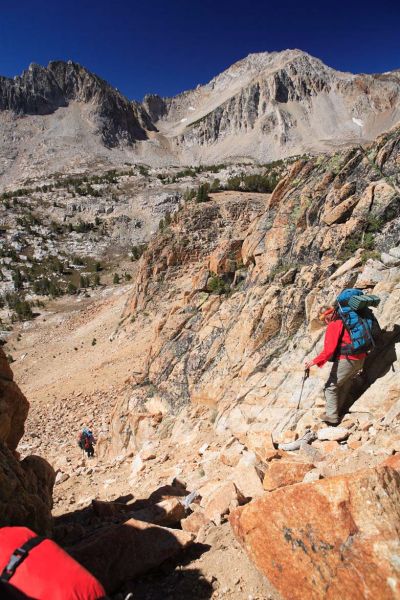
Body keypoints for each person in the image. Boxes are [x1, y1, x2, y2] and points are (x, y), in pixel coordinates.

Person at [304, 306, 367, 425]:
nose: (325, 322)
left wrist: (313, 362)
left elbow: (329, 350)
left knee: (330, 387)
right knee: (345, 384)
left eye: (324, 320)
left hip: (347, 359)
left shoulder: (334, 324)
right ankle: (339, 411)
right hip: (361, 357)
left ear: (327, 317)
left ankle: (331, 416)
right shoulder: (348, 319)